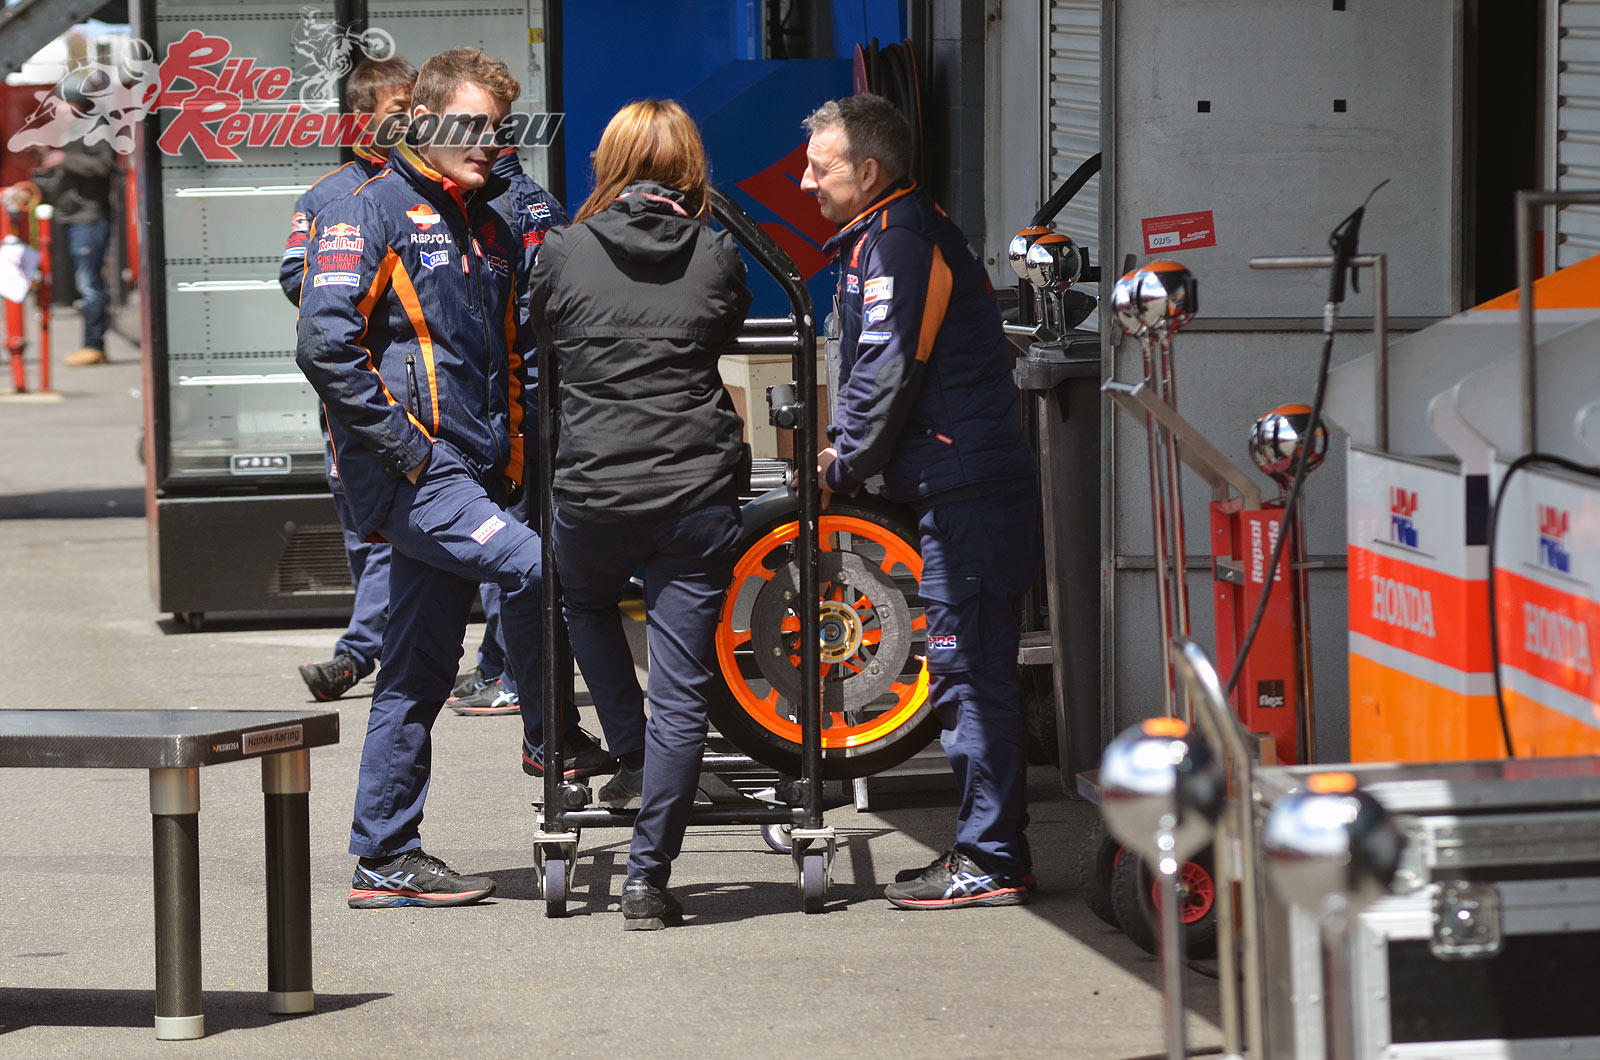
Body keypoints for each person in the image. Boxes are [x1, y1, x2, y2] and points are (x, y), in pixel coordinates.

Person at [296, 47, 603, 909]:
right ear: (423, 120)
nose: (488, 143)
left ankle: (384, 857)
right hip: (415, 475)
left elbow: (513, 358)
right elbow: (323, 344)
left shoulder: (489, 221)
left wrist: (512, 464)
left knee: (417, 668)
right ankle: (556, 739)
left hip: (475, 473)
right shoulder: (365, 209)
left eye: (497, 129)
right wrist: (409, 451)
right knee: (538, 569)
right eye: (471, 125)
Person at [799, 93, 1041, 910]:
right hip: (954, 484)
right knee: (965, 671)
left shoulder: (901, 241)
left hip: (967, 492)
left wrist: (844, 462)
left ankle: (991, 860)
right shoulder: (884, 234)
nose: (805, 183)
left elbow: (887, 363)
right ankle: (991, 852)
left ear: (868, 172)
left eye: (820, 168)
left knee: (969, 674)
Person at [528, 99, 751, 930]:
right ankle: (647, 881)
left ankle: (627, 750)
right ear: (690, 169)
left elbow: (541, 342)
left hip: (593, 488)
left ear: (609, 165)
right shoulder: (717, 252)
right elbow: (722, 330)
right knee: (684, 691)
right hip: (695, 492)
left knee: (583, 601)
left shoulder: (563, 251)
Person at [281, 55, 416, 702]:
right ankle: (382, 646)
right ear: (362, 119)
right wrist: (361, 284)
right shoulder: (325, 196)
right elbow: (294, 278)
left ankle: (361, 653)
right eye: (399, 112)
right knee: (365, 528)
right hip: (350, 394)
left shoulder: (437, 186)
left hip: (425, 392)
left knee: (403, 525)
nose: (412, 124)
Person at [445, 146, 571, 718]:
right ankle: (499, 665)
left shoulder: (488, 207)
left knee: (510, 548)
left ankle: (515, 678)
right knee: (529, 542)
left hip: (514, 406)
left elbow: (506, 320)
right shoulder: (543, 202)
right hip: (549, 399)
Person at [38, 70, 117, 367]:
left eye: (60, 102)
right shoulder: (76, 127)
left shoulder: (95, 125)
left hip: (89, 217)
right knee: (85, 282)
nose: (57, 108)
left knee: (89, 284)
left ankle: (93, 345)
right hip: (75, 214)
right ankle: (92, 344)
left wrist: (65, 159)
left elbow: (105, 165)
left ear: (74, 102)